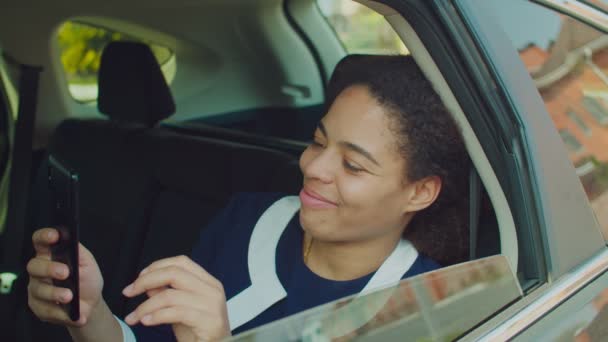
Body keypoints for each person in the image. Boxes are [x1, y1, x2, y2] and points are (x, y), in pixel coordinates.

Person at [26, 55, 470, 341]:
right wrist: (88, 314)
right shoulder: (250, 220)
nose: (313, 168)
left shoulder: (430, 308)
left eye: (353, 166)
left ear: (420, 191)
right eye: (318, 142)